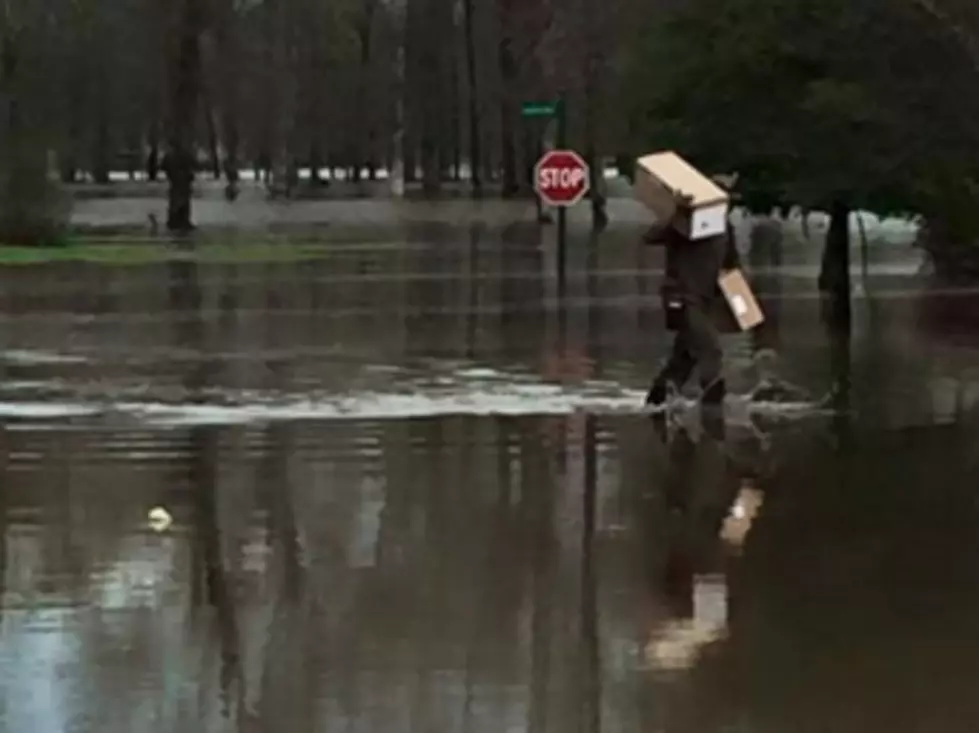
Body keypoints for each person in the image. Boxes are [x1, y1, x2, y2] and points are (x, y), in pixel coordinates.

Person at [642, 190, 741, 409]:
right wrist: (680, 211)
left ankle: (661, 395)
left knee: (686, 353)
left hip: (705, 299)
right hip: (682, 296)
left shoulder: (726, 228)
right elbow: (651, 236)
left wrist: (739, 303)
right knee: (709, 347)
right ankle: (710, 388)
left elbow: (731, 267)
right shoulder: (685, 222)